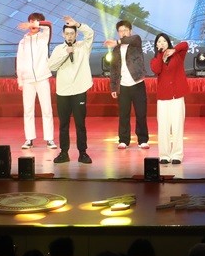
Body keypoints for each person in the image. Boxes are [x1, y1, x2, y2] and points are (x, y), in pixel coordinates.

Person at [48, 16, 95, 164]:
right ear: (63, 34)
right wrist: (66, 52)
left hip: (79, 89)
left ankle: (83, 153)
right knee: (63, 124)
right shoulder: (58, 49)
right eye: (67, 33)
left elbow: (90, 33)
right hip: (63, 91)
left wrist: (78, 24)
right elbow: (51, 66)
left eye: (72, 33)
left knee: (80, 124)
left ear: (76, 34)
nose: (69, 36)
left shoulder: (83, 46)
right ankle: (64, 152)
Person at [104, 20, 150, 149]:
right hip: (123, 86)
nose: (123, 33)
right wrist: (114, 87)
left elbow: (132, 39)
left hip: (137, 83)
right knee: (124, 114)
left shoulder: (135, 41)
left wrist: (117, 42)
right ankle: (124, 140)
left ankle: (142, 140)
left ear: (130, 31)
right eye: (120, 31)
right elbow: (114, 69)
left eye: (125, 30)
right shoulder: (116, 50)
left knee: (141, 113)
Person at [16, 12, 56, 150]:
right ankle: (29, 139)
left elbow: (49, 25)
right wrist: (20, 80)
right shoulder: (23, 41)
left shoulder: (44, 36)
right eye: (31, 21)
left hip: (42, 77)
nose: (33, 24)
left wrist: (34, 24)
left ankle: (49, 139)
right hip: (27, 80)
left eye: (36, 21)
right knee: (28, 110)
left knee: (47, 109)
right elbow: (19, 61)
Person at [150, 32, 190, 164]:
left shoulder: (178, 55)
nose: (162, 43)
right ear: (156, 45)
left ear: (168, 43)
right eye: (159, 42)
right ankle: (164, 155)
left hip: (177, 96)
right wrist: (161, 55)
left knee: (177, 126)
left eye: (164, 41)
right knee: (163, 127)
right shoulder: (155, 59)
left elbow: (185, 45)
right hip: (163, 98)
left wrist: (174, 50)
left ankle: (177, 154)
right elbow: (156, 70)